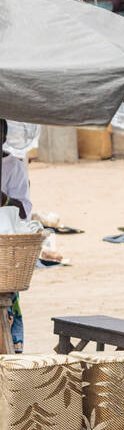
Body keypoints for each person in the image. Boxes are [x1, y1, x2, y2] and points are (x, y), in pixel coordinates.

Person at [0, 119, 32, 352]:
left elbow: (24, 211)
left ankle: (11, 350)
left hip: (5, 248)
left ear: (4, 137)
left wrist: (4, 200)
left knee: (6, 305)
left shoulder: (14, 167)